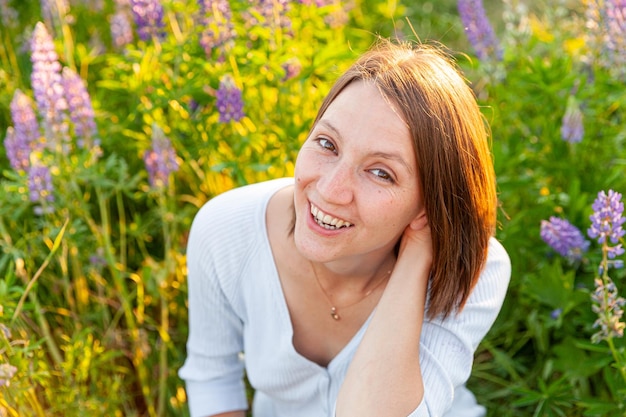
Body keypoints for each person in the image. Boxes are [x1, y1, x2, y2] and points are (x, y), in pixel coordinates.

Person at [178, 39, 511, 417]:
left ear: (429, 205)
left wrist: (417, 257)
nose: (330, 191)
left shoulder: (474, 267)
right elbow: (213, 378)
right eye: (327, 143)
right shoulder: (226, 229)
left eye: (381, 172)